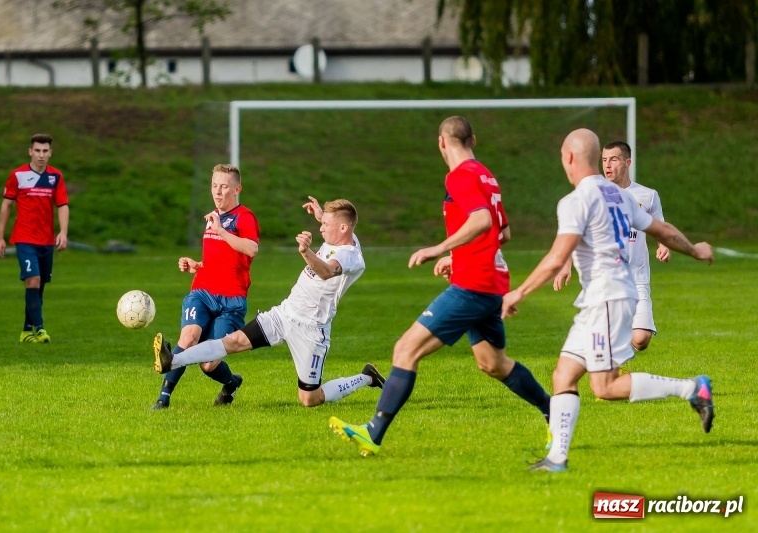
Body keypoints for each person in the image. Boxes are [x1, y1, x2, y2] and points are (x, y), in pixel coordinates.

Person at [327, 116, 552, 457]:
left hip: (473, 286)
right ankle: (556, 414)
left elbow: (482, 221)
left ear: (441, 143)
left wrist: (440, 248)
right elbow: (502, 233)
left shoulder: (459, 176)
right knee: (493, 363)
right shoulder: (487, 176)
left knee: (405, 350)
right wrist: (459, 256)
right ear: (473, 139)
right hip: (489, 282)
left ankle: (373, 432)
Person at [501, 128, 715, 472]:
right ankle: (557, 458)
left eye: (561, 158)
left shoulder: (575, 200)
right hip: (600, 300)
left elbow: (557, 258)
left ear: (569, 158)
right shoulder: (618, 195)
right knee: (563, 375)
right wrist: (694, 249)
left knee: (604, 386)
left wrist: (519, 292)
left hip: (608, 298)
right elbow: (661, 230)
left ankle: (691, 388)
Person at [152, 197, 386, 408]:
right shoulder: (344, 233)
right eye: (321, 222)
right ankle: (172, 361)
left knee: (309, 399)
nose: (321, 227)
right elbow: (339, 224)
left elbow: (326, 272)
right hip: (284, 314)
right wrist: (321, 215)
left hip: (311, 329)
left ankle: (367, 377)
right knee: (232, 342)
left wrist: (305, 251)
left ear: (343, 228)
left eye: (325, 225)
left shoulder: (349, 256)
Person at [151, 164, 259, 410]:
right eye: (214, 186)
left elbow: (251, 249)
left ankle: (231, 383)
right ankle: (163, 398)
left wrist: (221, 230)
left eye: (223, 187)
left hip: (232, 301)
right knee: (188, 337)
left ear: (237, 189)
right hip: (202, 291)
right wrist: (196, 265)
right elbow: (217, 259)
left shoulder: (245, 217)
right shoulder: (212, 217)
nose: (217, 192)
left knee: (208, 364)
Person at [554, 141, 669, 353]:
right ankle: (612, 366)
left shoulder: (647, 195)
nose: (607, 165)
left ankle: (616, 359)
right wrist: (565, 264)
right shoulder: (594, 195)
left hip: (637, 279)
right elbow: (574, 234)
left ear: (627, 162)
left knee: (641, 338)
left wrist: (663, 245)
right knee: (598, 355)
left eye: (613, 160)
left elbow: (659, 227)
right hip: (607, 282)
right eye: (604, 160)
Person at [0, 134, 69, 343]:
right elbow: (6, 206)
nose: (41, 155)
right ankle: (41, 329)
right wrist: (0, 237)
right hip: (24, 238)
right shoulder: (17, 175)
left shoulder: (56, 177)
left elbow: (62, 205)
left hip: (46, 241)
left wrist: (62, 232)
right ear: (30, 151)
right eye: (37, 150)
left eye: (45, 151)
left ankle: (27, 331)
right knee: (33, 280)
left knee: (39, 285)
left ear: (50, 153)